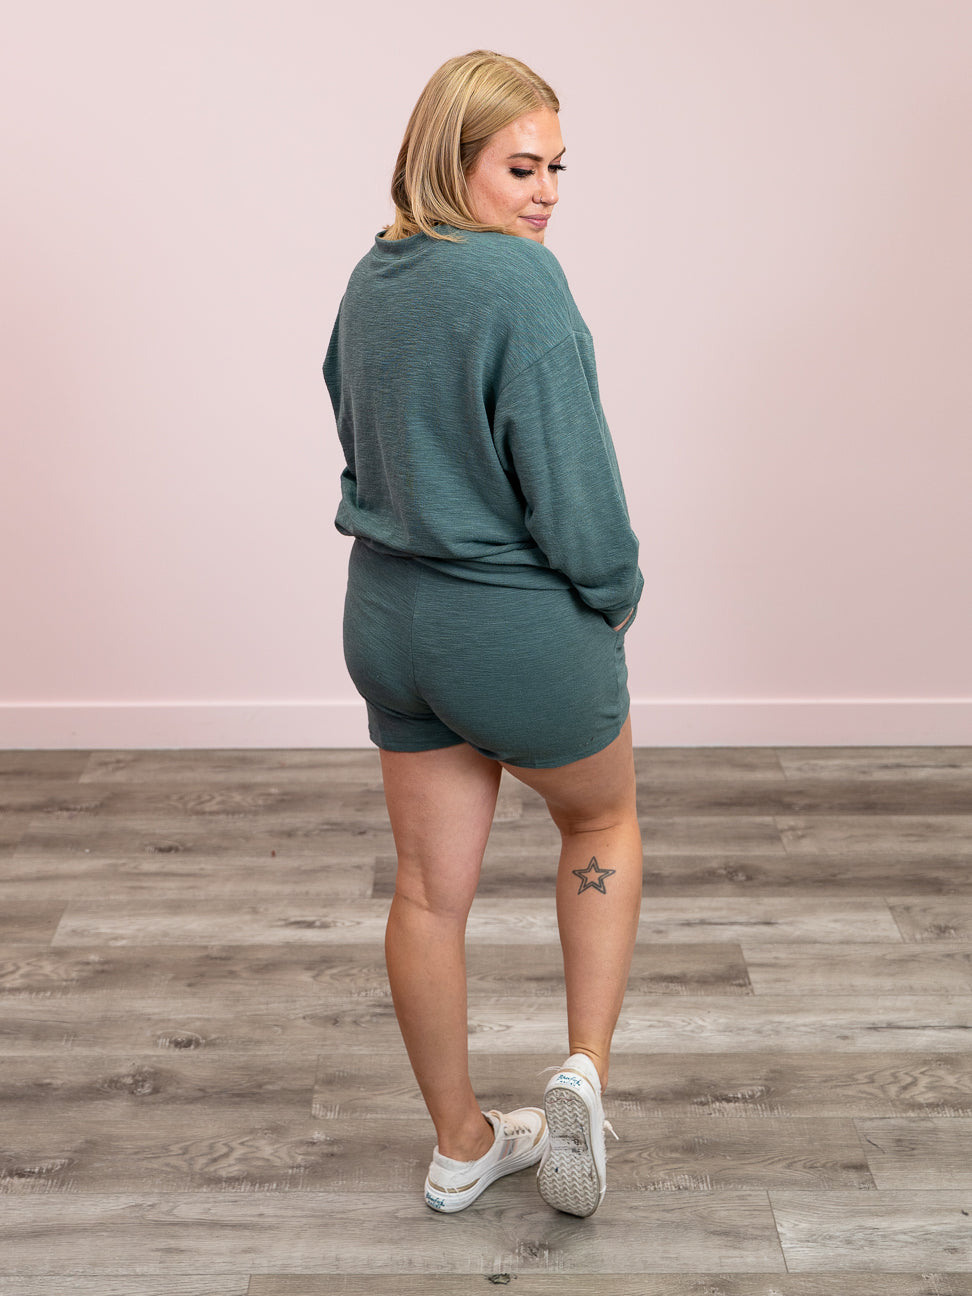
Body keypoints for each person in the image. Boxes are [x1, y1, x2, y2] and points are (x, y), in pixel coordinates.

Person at [323, 50, 643, 1218]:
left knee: (426, 890)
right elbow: (575, 486)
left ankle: (462, 1145)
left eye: (558, 167)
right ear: (451, 162)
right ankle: (584, 1073)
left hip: (388, 617)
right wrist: (613, 593)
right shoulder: (520, 282)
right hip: (509, 629)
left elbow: (354, 425)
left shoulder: (375, 273)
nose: (546, 192)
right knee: (599, 818)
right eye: (520, 167)